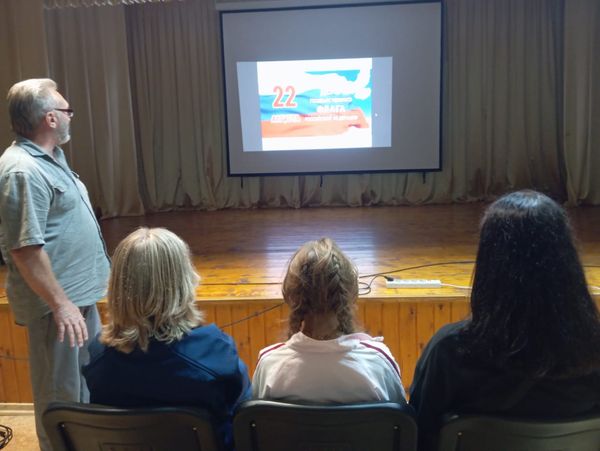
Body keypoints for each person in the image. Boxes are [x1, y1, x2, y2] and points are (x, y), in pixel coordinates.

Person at [409, 190, 600, 451]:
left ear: (489, 263)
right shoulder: (593, 349)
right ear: (567, 262)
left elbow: (419, 438)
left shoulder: (450, 351)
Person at [0, 79, 110, 450]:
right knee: (60, 395)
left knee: (83, 387)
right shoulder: (22, 171)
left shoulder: (50, 158)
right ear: (50, 118)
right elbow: (25, 249)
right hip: (57, 309)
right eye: (66, 110)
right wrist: (61, 305)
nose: (70, 117)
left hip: (76, 301)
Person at [83, 227, 251, 450]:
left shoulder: (98, 357)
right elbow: (245, 413)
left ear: (117, 287)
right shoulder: (213, 351)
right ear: (184, 281)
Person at [253, 237, 406, 403]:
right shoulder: (377, 362)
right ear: (350, 295)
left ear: (291, 296)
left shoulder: (270, 365)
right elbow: (401, 417)